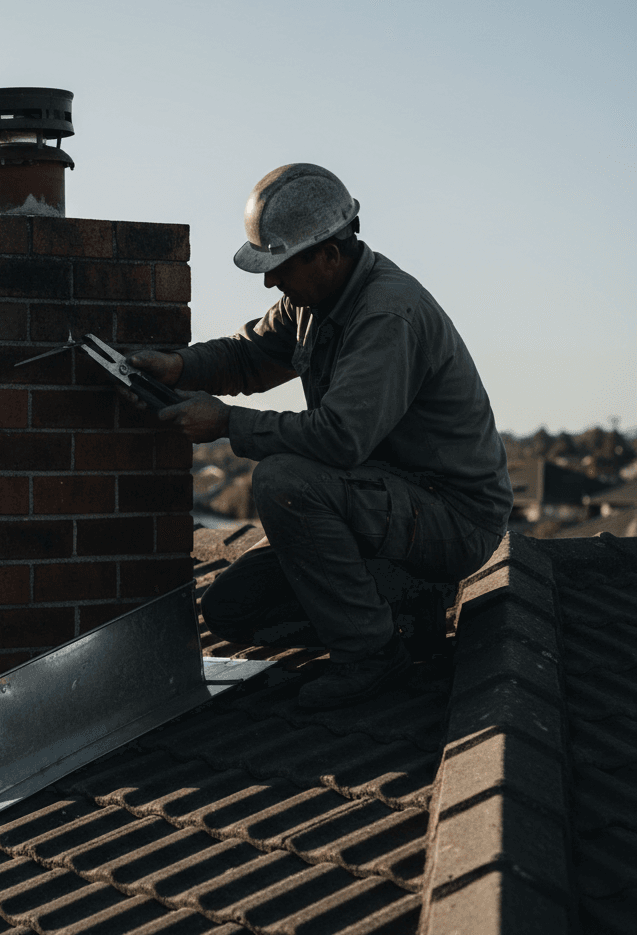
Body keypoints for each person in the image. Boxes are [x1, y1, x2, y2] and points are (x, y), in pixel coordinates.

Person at [128, 164, 513, 709]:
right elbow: (250, 356)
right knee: (231, 609)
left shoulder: (386, 313)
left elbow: (339, 439)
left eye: (279, 266)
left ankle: (373, 657)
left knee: (286, 480)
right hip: (388, 501)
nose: (270, 281)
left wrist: (227, 425)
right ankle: (407, 613)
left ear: (329, 254)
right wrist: (176, 367)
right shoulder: (315, 298)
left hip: (453, 518)